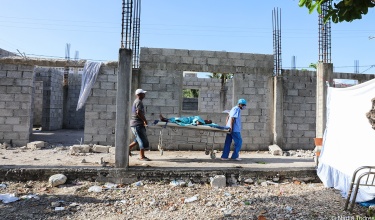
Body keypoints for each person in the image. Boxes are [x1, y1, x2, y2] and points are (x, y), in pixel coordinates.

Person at [129, 88, 151, 161]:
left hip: (137, 123)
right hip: (136, 124)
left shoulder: (138, 101)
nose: (144, 94)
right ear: (139, 95)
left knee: (138, 139)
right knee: (140, 139)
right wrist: (144, 120)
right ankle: (142, 156)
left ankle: (128, 148)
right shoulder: (138, 102)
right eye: (143, 93)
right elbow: (138, 112)